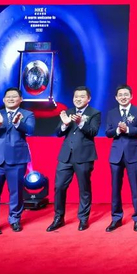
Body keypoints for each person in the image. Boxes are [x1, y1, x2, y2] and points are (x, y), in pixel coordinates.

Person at [0, 87, 35, 235]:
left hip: (17, 158)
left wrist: (18, 123)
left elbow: (30, 130)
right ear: (4, 99)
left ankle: (15, 219)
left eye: (14, 96)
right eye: (8, 96)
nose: (11, 99)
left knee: (16, 191)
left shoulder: (27, 114)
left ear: (21, 99)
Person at [46, 86, 101, 232]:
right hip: (65, 156)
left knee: (84, 188)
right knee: (59, 186)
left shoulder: (94, 113)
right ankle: (58, 218)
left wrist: (81, 123)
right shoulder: (68, 112)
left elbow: (93, 132)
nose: (78, 99)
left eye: (82, 97)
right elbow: (58, 133)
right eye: (76, 96)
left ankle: (83, 219)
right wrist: (64, 124)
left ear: (88, 99)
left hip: (84, 156)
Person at [105, 84, 137, 232]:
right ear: (116, 98)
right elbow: (108, 132)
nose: (123, 97)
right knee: (115, 188)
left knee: (135, 187)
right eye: (120, 95)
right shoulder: (111, 113)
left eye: (126, 94)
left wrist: (127, 129)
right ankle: (116, 218)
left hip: (133, 153)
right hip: (116, 155)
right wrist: (117, 130)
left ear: (131, 96)